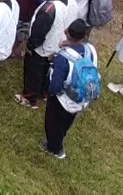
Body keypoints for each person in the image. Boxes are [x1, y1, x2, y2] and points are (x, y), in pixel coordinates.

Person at [20, 0, 79, 109]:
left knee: (34, 72)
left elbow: (39, 31)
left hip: (43, 47)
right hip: (58, 44)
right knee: (48, 71)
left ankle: (30, 98)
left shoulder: (49, 8)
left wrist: (30, 45)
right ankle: (45, 93)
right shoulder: (72, 2)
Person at [43, 19, 99, 159]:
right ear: (83, 36)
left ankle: (55, 149)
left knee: (53, 123)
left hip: (64, 99)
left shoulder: (63, 57)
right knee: (67, 121)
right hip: (81, 96)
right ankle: (60, 137)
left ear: (67, 33)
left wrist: (50, 93)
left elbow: (56, 85)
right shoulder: (91, 50)